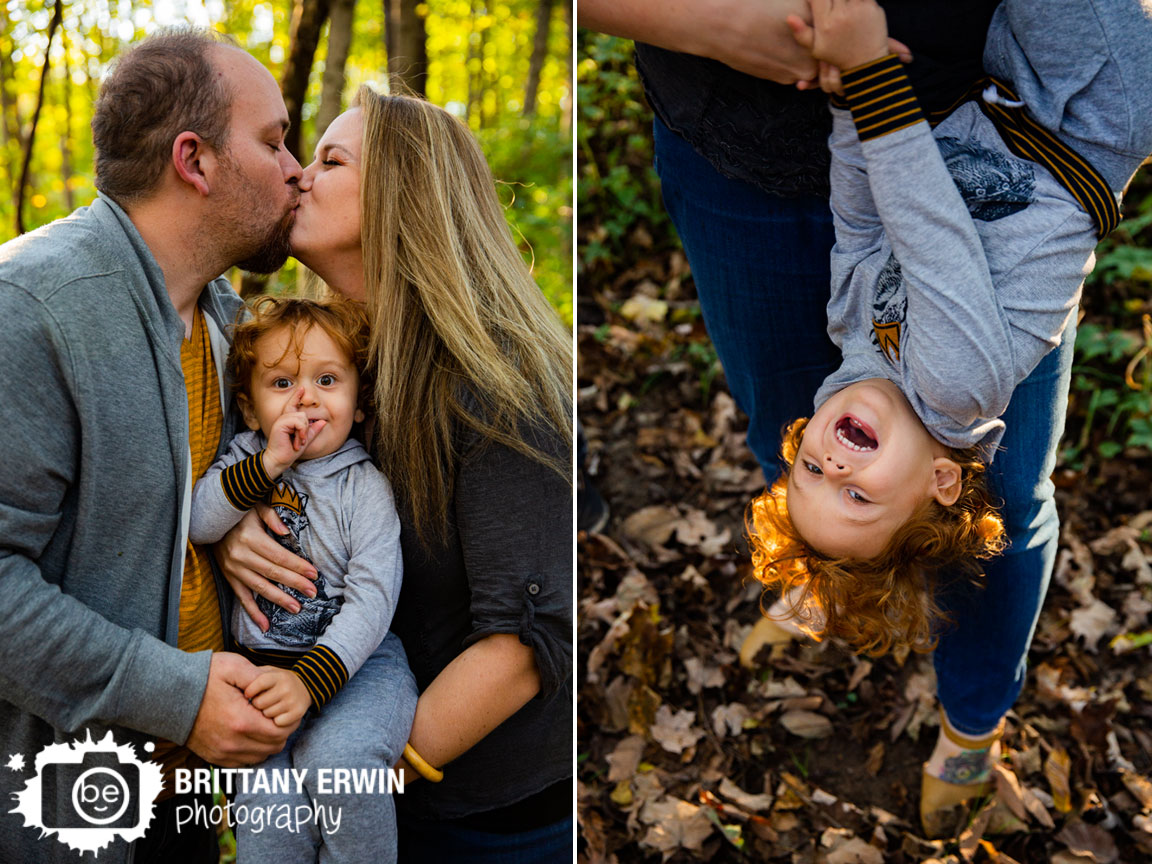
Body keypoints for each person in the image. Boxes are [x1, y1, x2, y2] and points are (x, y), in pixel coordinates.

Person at [577, 0, 1137, 837]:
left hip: (996, 94)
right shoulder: (953, 387)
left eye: (812, 472)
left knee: (1008, 504)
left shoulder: (858, 349)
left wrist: (845, 108)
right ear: (944, 476)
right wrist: (871, 77)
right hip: (1090, 98)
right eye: (858, 496)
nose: (832, 468)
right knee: (1008, 503)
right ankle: (835, 582)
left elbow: (863, 219)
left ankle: (877, 619)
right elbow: (928, 234)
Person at [215, 86, 574, 860]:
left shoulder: (495, 385)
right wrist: (240, 531)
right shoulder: (337, 366)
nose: (299, 176)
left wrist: (359, 779)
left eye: (330, 160)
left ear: (401, 197)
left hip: (480, 818)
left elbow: (520, 649)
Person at [0, 28, 305, 863]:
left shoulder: (229, 323)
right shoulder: (30, 310)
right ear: (194, 160)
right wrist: (175, 696)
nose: (296, 169)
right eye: (274, 140)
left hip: (190, 791)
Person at [189, 296, 418, 863]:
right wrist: (267, 466)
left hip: (357, 666)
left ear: (359, 404)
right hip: (261, 669)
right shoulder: (245, 459)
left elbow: (374, 598)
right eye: (283, 382)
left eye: (327, 379)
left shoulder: (364, 489)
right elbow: (197, 520)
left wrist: (310, 683)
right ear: (249, 409)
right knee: (269, 819)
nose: (307, 398)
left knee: (340, 769)